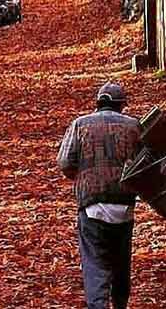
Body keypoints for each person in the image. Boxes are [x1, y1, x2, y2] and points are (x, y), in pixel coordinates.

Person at [57, 82, 141, 309]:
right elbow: (145, 163)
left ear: (98, 103)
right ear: (121, 105)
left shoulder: (80, 124)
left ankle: (99, 305)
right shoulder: (134, 125)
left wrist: (82, 175)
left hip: (91, 206)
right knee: (121, 262)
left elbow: (65, 162)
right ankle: (120, 304)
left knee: (95, 265)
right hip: (124, 207)